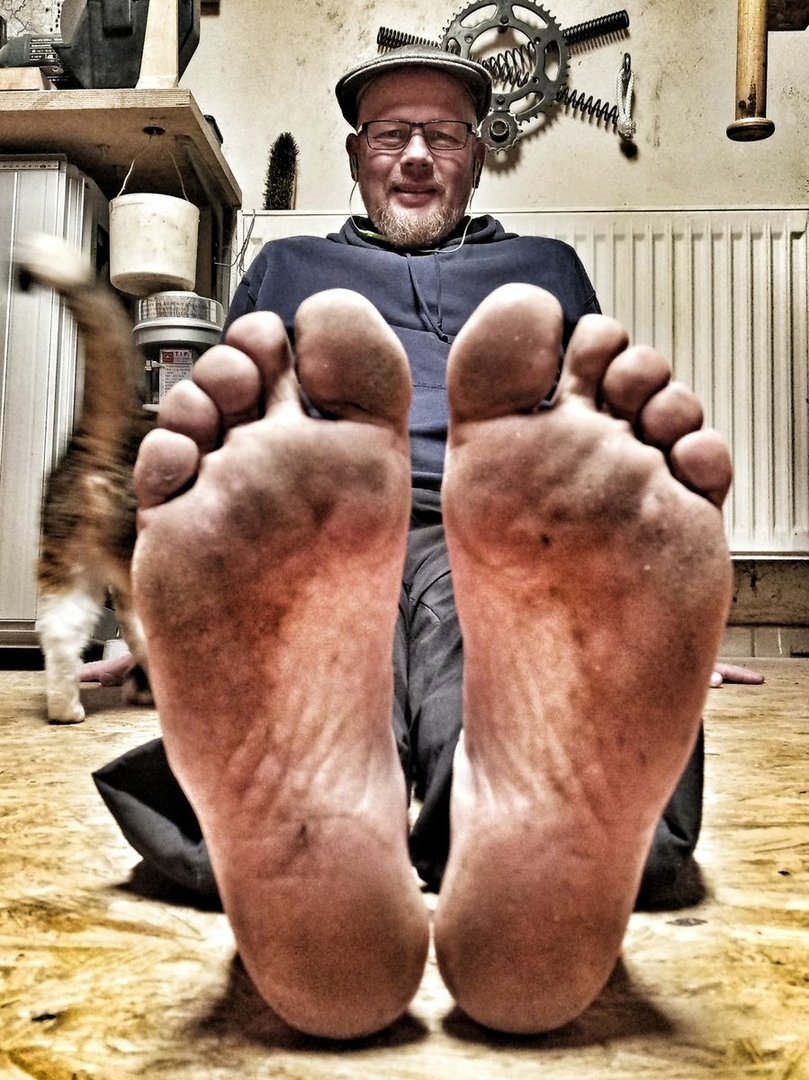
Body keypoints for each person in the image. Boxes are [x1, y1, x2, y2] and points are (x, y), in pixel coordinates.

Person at [93, 45, 738, 1040]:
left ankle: (471, 817)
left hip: (507, 545)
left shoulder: (542, 270)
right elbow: (222, 472)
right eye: (392, 135)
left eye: (444, 135)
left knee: (487, 668)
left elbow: (600, 453)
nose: (417, 156)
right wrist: (154, 626)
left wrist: (632, 624)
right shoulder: (286, 270)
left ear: (477, 155)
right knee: (312, 658)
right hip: (308, 544)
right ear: (356, 155)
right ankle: (407, 820)